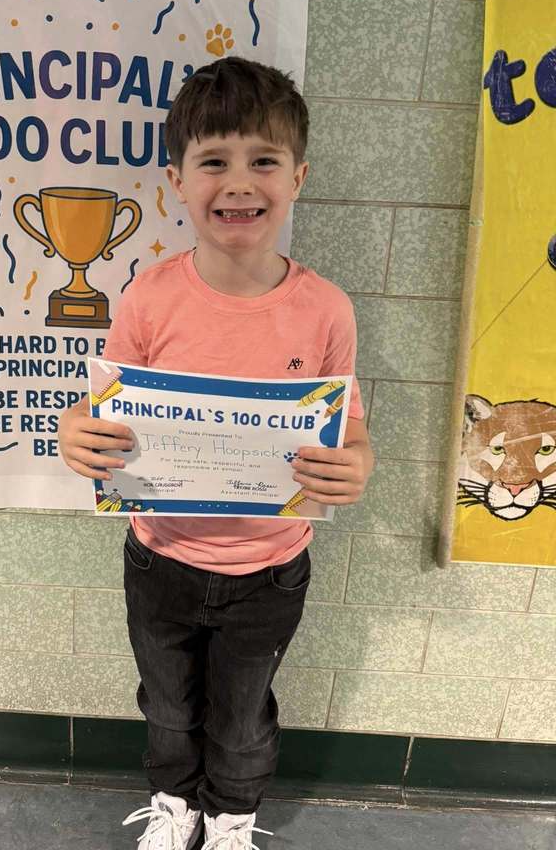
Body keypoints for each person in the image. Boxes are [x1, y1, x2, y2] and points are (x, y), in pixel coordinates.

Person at [58, 57, 374, 850]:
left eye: (263, 160)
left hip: (270, 570)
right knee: (165, 705)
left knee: (241, 716)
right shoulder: (146, 298)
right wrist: (77, 437)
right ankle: (175, 803)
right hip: (159, 559)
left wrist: (358, 466)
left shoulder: (326, 309)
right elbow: (103, 421)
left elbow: (350, 432)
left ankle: (233, 814)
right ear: (176, 181)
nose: (240, 182)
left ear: (297, 178)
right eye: (214, 161)